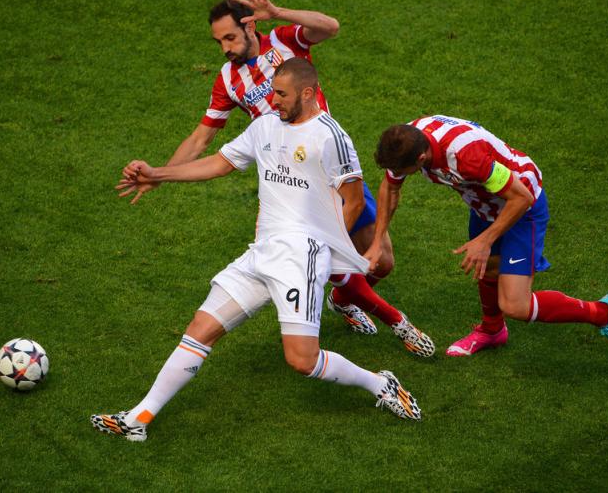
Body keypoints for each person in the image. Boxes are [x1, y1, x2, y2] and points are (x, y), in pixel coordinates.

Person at [92, 59, 421, 442]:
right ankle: (139, 418)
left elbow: (354, 201)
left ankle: (380, 384)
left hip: (300, 258)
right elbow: (219, 163)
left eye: (281, 94)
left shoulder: (330, 136)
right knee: (201, 328)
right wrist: (157, 173)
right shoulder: (264, 126)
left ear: (307, 93)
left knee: (302, 360)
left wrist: (323, 246)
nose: (273, 100)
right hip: (261, 253)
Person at [117, 0, 434, 355]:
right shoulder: (228, 79)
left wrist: (278, 11)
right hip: (291, 186)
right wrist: (159, 174)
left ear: (250, 26)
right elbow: (202, 138)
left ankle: (342, 301)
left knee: (382, 262)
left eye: (230, 37)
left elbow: (330, 26)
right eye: (219, 42)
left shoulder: (285, 42)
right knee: (323, 254)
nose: (224, 48)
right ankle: (397, 322)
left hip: (330, 165)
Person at [364, 114, 608, 358]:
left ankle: (603, 312)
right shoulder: (407, 139)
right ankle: (492, 330)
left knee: (515, 305)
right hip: (484, 203)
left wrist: (485, 240)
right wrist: (377, 242)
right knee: (489, 270)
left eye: (403, 170)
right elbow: (390, 188)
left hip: (522, 206)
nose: (398, 175)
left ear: (421, 159)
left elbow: (521, 198)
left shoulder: (465, 156)